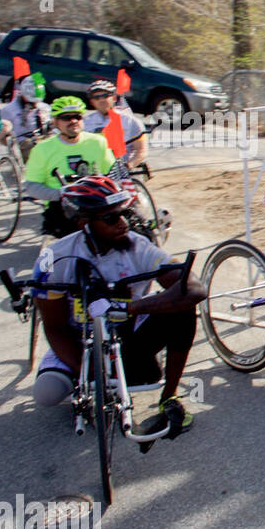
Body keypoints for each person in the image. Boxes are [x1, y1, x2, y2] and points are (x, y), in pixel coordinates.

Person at [32, 175, 206, 444]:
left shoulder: (137, 244)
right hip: (78, 339)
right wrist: (91, 379)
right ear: (84, 223)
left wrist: (130, 307)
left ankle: (169, 397)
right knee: (47, 393)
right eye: (111, 218)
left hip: (126, 332)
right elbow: (54, 327)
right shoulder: (55, 257)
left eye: (124, 213)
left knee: (182, 309)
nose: (123, 223)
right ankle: (86, 376)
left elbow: (194, 289)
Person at [24, 97, 115, 238]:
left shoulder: (98, 142)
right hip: (61, 206)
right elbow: (32, 185)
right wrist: (60, 194)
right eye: (66, 118)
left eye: (77, 116)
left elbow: (113, 174)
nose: (73, 121)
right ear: (55, 122)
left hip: (97, 202)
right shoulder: (42, 149)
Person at [84, 79, 148, 166]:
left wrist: (130, 165)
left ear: (114, 98)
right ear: (92, 102)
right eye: (96, 97)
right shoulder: (84, 122)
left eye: (105, 96)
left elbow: (142, 150)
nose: (101, 100)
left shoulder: (131, 121)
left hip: (120, 170)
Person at [1, 73, 51, 159]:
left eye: (36, 101)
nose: (35, 104)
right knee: (35, 150)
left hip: (42, 139)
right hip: (22, 143)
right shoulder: (9, 110)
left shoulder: (44, 107)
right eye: (32, 101)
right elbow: (3, 137)